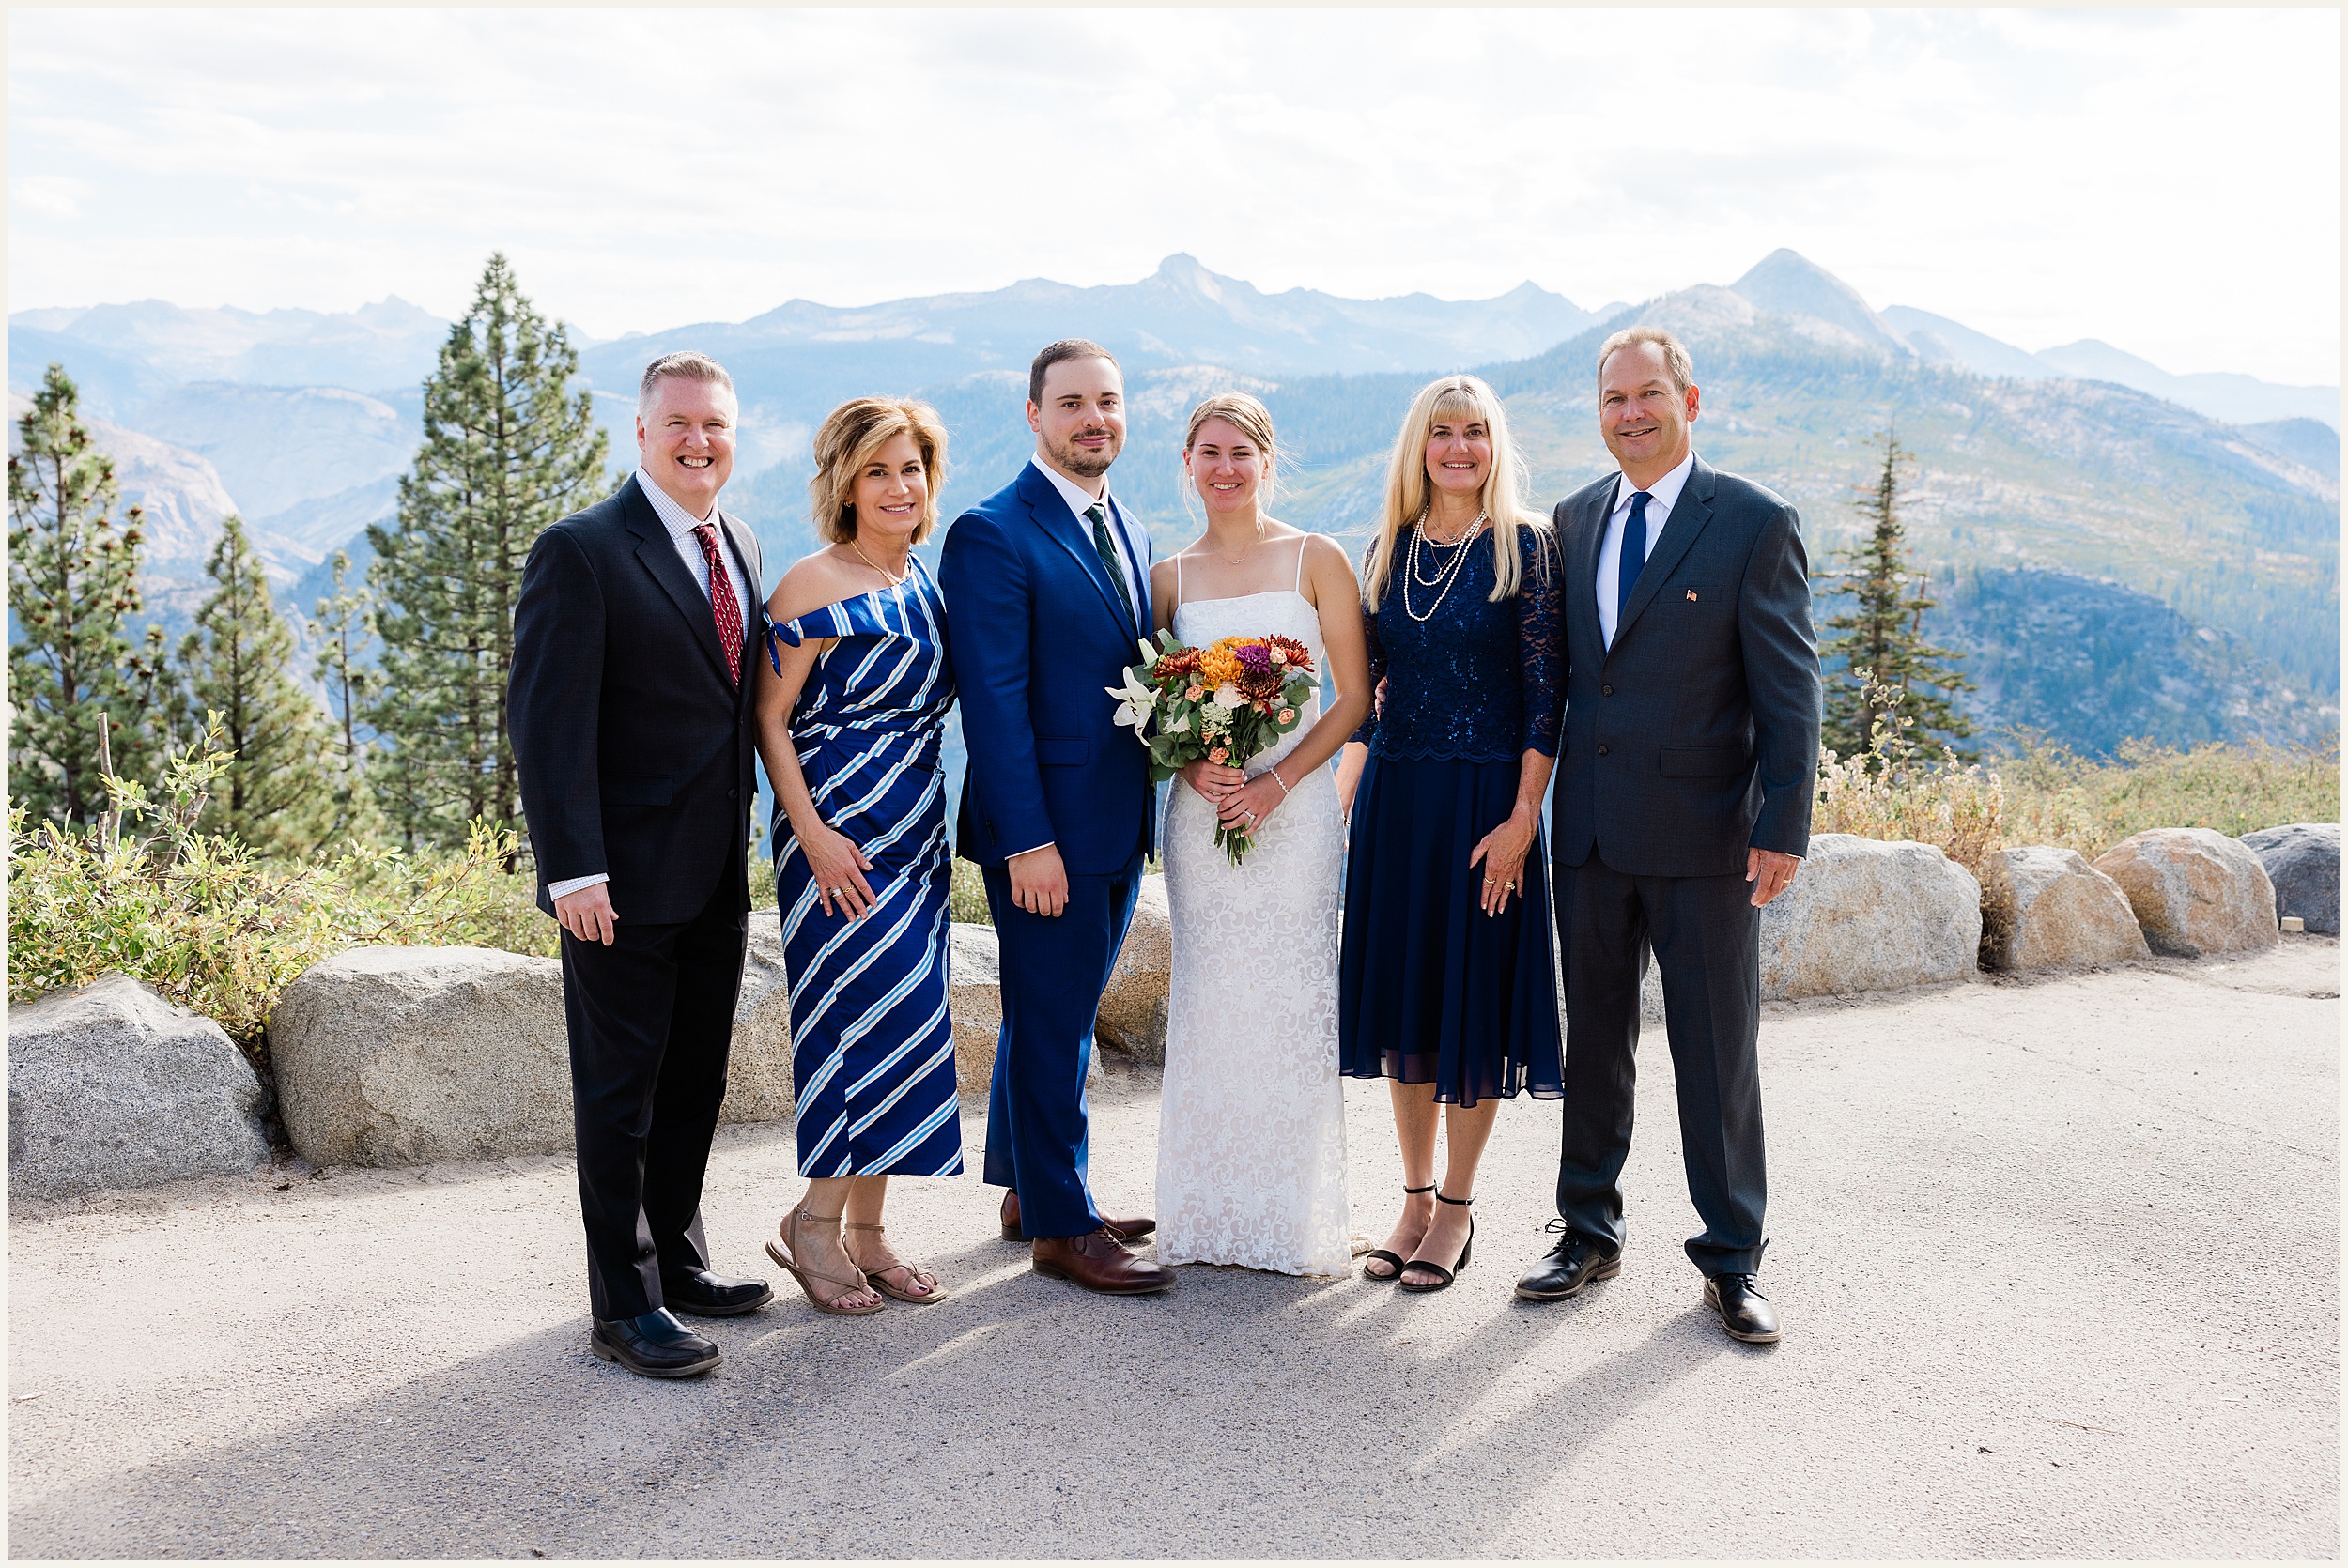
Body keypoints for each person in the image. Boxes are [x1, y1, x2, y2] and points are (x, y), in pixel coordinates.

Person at [1515, 326, 1820, 1345]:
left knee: (1714, 1053)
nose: (1631, 413)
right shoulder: (1573, 516)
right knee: (1593, 1044)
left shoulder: (1749, 519)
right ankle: (1585, 1230)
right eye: (1613, 400)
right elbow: (1563, 676)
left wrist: (1783, 823)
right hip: (1592, 839)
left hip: (1706, 839)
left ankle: (1732, 1258)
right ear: (1597, 412)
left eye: (1650, 394)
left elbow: (1789, 688)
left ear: (1692, 400)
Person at [510, 350, 772, 1380]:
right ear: (641, 432)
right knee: (620, 1093)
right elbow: (546, 724)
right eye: (680, 425)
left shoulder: (739, 542)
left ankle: (679, 1260)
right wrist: (573, 869)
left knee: (695, 1079)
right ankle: (623, 1303)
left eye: (715, 424)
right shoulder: (581, 552)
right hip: (615, 879)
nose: (699, 441)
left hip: (714, 868)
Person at [938, 339, 1169, 1295]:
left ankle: (1030, 1189)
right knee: (1050, 1021)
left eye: (1107, 403)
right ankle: (1064, 1228)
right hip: (1046, 832)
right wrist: (1028, 839)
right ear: (1033, 414)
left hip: (1116, 816)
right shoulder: (993, 531)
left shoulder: (1130, 527)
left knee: (1059, 1012)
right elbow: (990, 702)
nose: (1093, 419)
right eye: (1072, 403)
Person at [1335, 373, 1566, 1293]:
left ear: (1494, 444)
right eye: (1441, 431)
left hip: (1484, 810)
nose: (1458, 447)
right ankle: (1413, 1194)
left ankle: (1459, 1208)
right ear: (1418, 445)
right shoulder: (1387, 547)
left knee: (1467, 1008)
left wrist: (1521, 818)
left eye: (1474, 431)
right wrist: (1346, 803)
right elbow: (1364, 694)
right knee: (1406, 1010)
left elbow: (1548, 699)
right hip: (1397, 803)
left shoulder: (1527, 547)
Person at [1150, 393, 1372, 1278]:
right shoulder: (1168, 578)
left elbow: (1351, 698)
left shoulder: (1317, 558)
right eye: (1208, 452)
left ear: (1267, 461)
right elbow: (1153, 710)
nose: (1225, 468)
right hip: (1204, 823)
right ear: (1189, 464)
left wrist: (1279, 781)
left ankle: (1292, 1216)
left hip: (1298, 811)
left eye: (1241, 452)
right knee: (1211, 996)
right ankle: (1205, 1214)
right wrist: (1189, 767)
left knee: (1290, 999)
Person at [753, 396, 961, 1316]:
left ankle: (869, 1235)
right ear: (845, 482)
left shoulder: (928, 582)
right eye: (877, 469)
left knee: (910, 1035)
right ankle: (813, 1223)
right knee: (857, 1027)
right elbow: (766, 717)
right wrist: (810, 829)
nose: (897, 485)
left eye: (910, 468)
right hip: (834, 837)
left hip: (916, 832)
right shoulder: (811, 582)